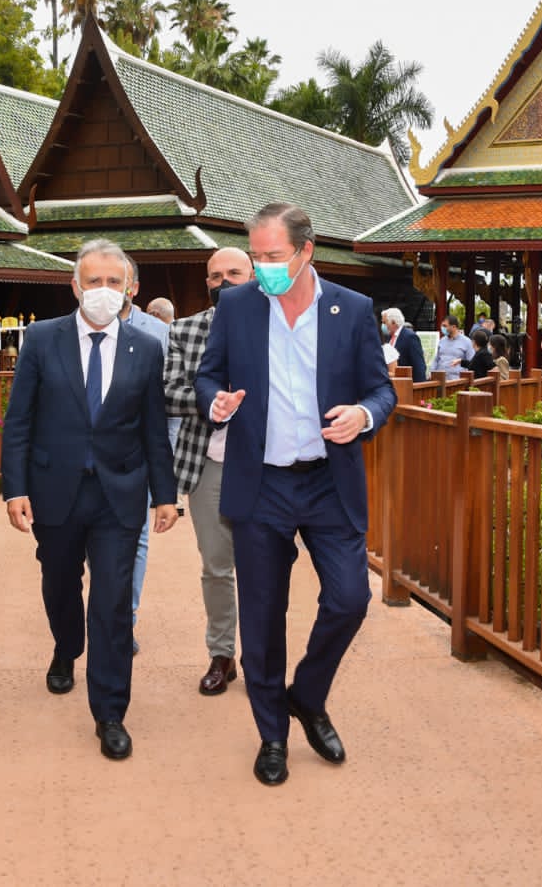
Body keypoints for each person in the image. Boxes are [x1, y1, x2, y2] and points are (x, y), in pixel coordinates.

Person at [196, 203, 397, 786]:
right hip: (260, 484)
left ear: (306, 252)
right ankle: (273, 737)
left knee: (349, 600)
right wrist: (216, 402)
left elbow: (380, 391)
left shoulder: (351, 310)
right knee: (261, 618)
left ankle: (307, 695)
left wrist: (363, 414)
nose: (262, 269)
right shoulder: (235, 306)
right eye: (256, 257)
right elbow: (209, 374)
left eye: (273, 257)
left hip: (327, 481)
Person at [0, 239, 178, 761]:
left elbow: (152, 430)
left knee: (112, 601)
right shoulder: (41, 339)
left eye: (113, 282)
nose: (103, 291)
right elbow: (19, 422)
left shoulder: (145, 349)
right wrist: (15, 488)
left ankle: (110, 712)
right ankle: (65, 647)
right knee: (59, 583)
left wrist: (165, 496)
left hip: (118, 495)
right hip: (55, 491)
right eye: (93, 281)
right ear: (75, 285)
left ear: (129, 289)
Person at [164, 245, 254, 696]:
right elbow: (169, 391)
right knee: (217, 566)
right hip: (210, 462)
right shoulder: (185, 330)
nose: (224, 283)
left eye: (234, 273)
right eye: (216, 277)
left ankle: (261, 655)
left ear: (254, 274)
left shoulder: (280, 326)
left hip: (267, 465)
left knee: (264, 565)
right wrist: (210, 401)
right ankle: (222, 653)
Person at [119, 256, 172, 654]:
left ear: (134, 287)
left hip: (138, 459)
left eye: (116, 281)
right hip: (84, 461)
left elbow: (167, 406)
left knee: (136, 541)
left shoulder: (159, 334)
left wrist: (163, 466)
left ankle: (125, 621)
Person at [380, 307, 427, 382]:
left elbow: (419, 365)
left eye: (384, 322)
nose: (382, 326)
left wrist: (417, 387)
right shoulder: (388, 338)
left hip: (407, 385)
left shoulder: (410, 337)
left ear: (393, 322)